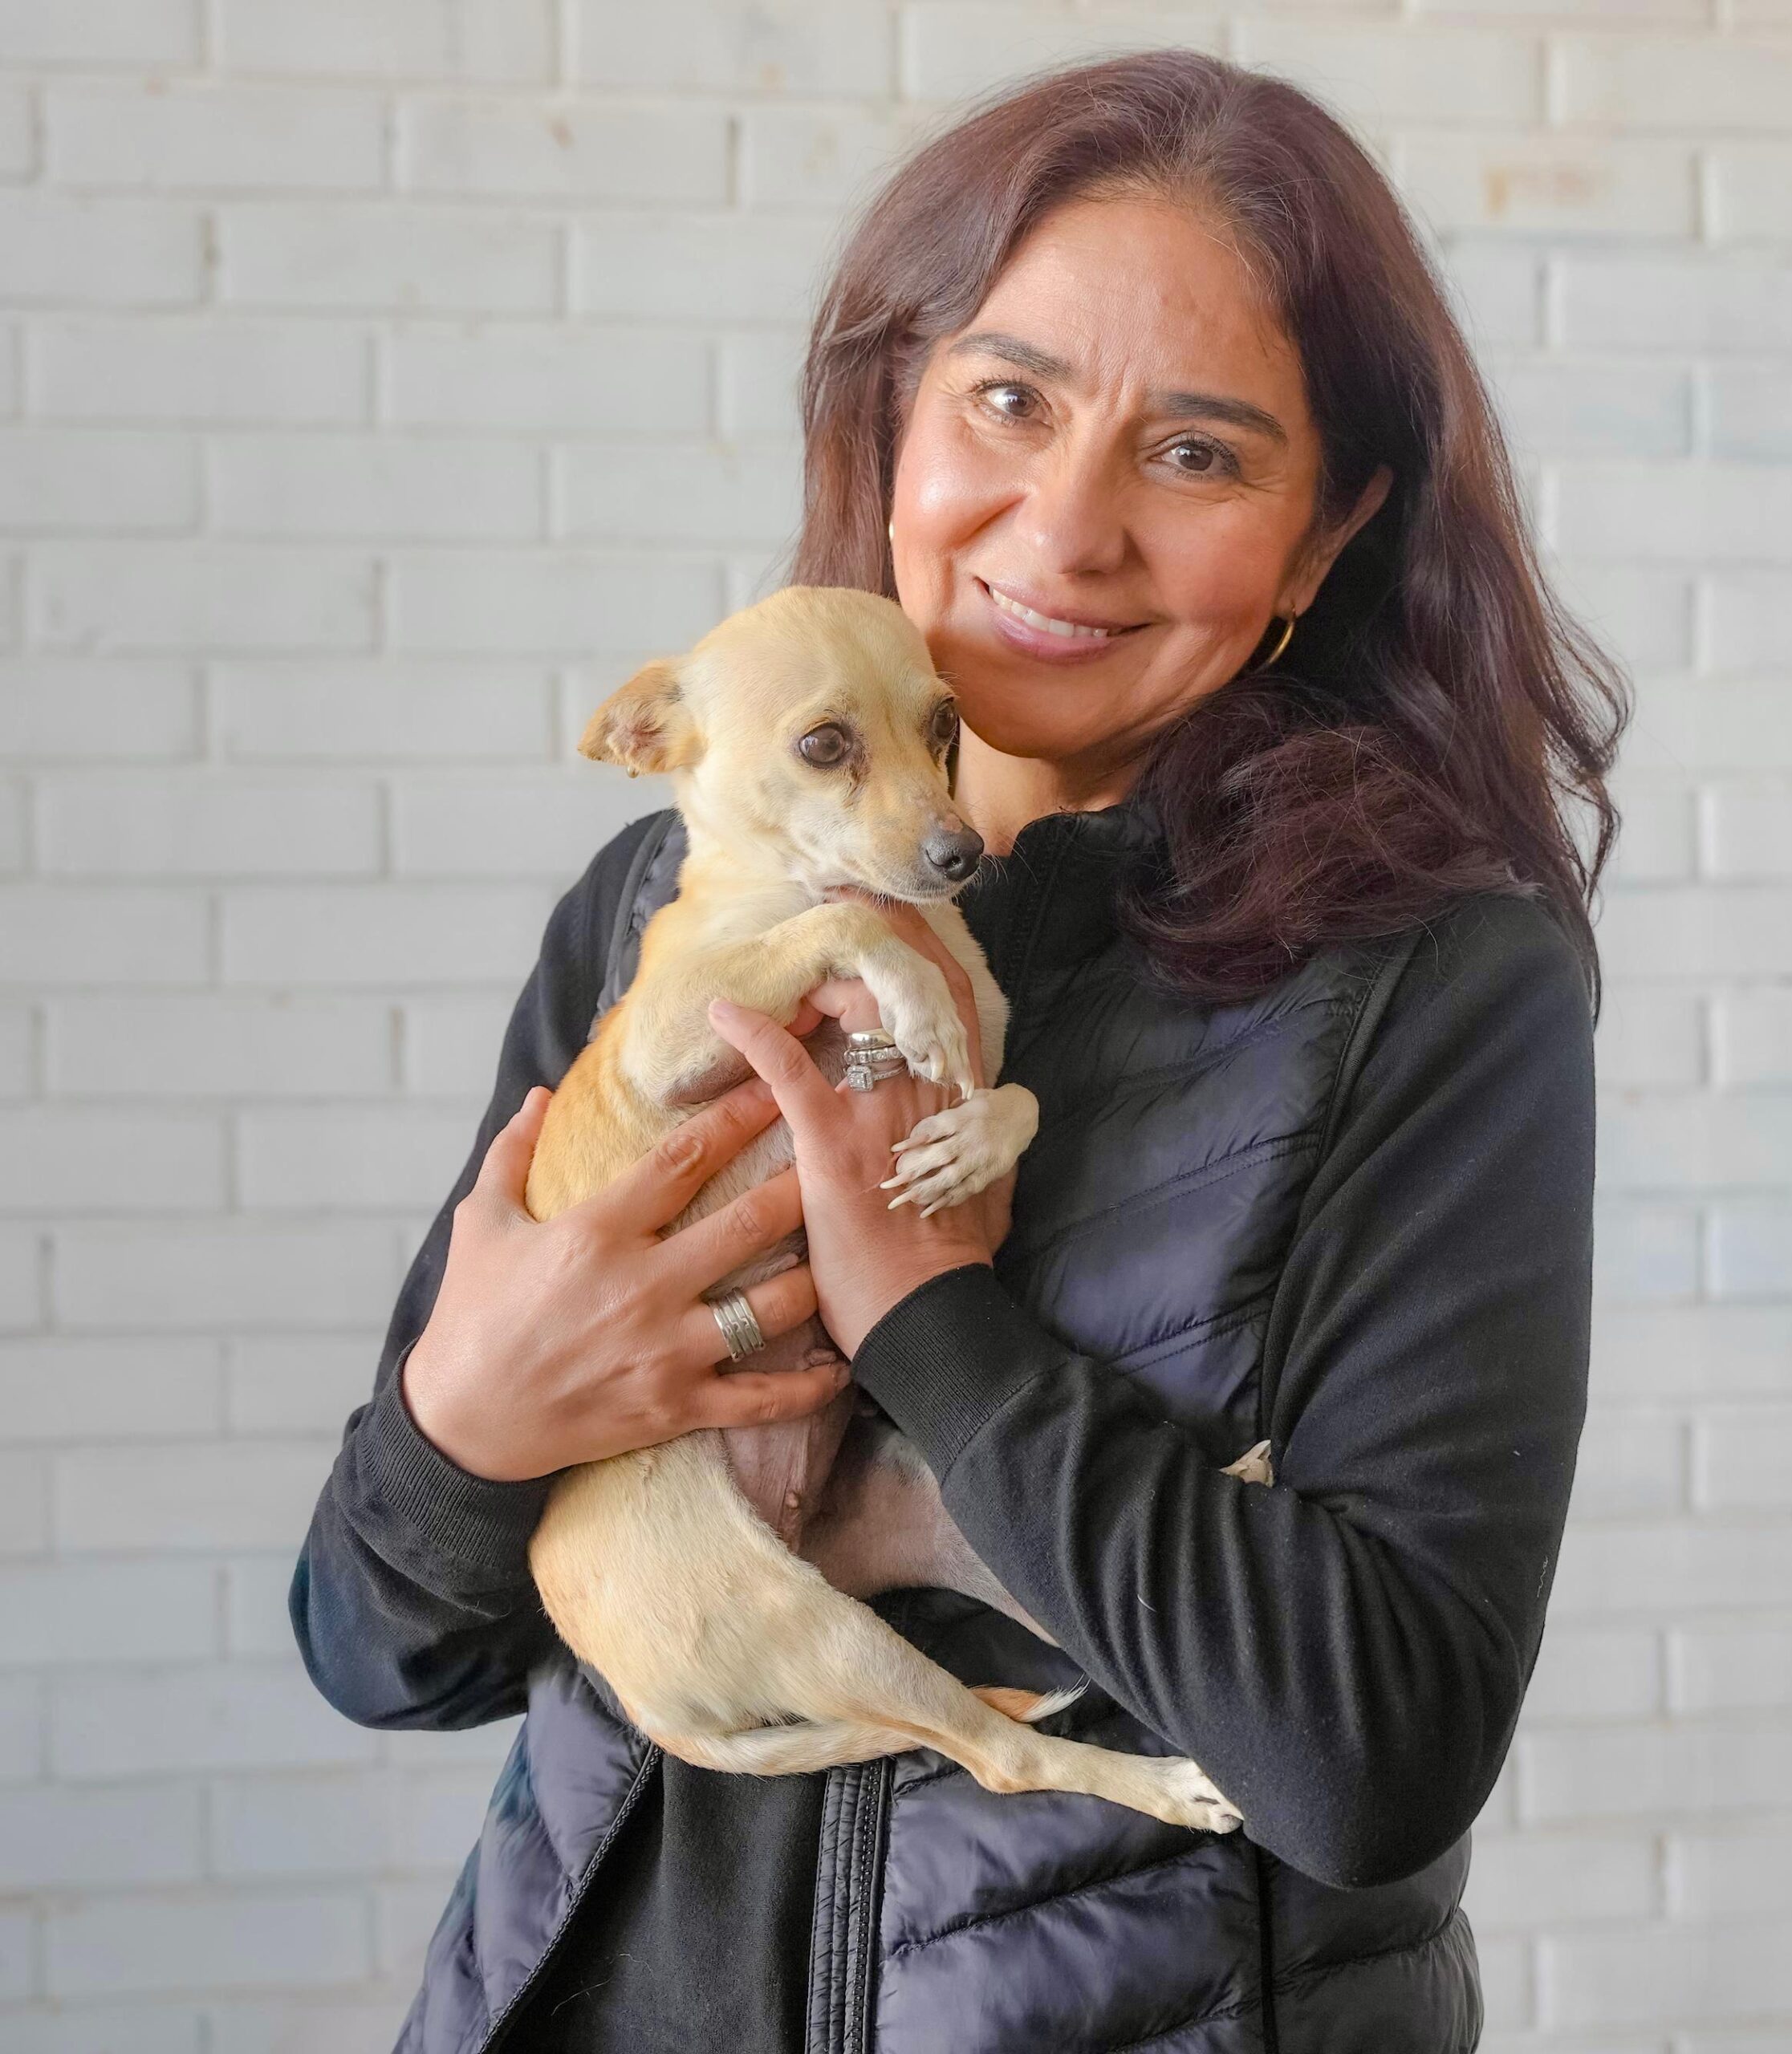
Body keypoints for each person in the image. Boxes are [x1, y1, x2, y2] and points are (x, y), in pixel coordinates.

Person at [291, 48, 1625, 2054]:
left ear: (1323, 532)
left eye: (1196, 452)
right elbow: (383, 1651)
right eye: (1008, 400)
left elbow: (1370, 1759)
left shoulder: (1429, 985)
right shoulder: (655, 905)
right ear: (892, 415)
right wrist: (466, 1426)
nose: (1065, 527)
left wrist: (930, 1315)